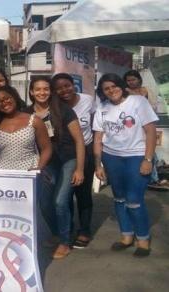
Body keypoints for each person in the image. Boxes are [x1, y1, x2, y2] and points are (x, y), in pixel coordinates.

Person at [93, 73, 158, 257]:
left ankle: (143, 239)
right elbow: (98, 139)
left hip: (136, 156)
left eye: (114, 86)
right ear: (103, 92)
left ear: (121, 86)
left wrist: (148, 159)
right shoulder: (102, 108)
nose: (111, 90)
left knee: (134, 199)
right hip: (111, 157)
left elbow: (151, 131)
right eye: (106, 88)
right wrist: (98, 165)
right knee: (119, 198)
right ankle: (126, 236)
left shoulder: (138, 102)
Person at [25, 76, 85, 259]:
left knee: (60, 201)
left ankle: (65, 242)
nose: (42, 92)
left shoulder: (63, 110)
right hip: (46, 162)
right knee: (44, 203)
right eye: (38, 89)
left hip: (68, 160)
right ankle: (58, 232)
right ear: (31, 92)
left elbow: (79, 140)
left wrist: (80, 169)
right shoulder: (26, 113)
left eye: (46, 89)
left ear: (50, 91)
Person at [52, 73, 96, 249]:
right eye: (59, 88)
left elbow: (95, 123)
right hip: (64, 154)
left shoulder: (88, 100)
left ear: (73, 85)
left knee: (83, 192)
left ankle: (84, 230)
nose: (64, 90)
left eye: (67, 85)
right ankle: (67, 229)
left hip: (86, 149)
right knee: (66, 194)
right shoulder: (55, 105)